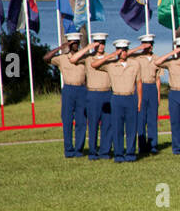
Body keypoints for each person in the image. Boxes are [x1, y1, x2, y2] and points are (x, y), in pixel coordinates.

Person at [91, 38, 141, 163]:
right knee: (117, 128)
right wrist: (111, 56)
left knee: (131, 128)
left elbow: (139, 83)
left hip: (130, 97)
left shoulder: (135, 64)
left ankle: (130, 154)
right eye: (120, 50)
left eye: (124, 50)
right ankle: (118, 154)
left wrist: (139, 101)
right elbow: (94, 65)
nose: (122, 53)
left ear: (127, 51)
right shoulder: (110, 64)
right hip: (117, 98)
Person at [45, 30, 89, 158]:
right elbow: (46, 58)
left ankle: (79, 149)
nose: (75, 45)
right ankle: (69, 150)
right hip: (68, 90)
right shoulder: (62, 58)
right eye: (73, 43)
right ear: (69, 44)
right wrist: (60, 47)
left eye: (77, 42)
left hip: (81, 89)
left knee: (81, 121)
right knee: (68, 120)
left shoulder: (84, 58)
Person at [159, 37, 180, 154]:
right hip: (174, 93)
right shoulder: (171, 62)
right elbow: (157, 62)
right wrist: (173, 52)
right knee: (175, 122)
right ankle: (177, 147)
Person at [82, 32, 112, 161]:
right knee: (93, 124)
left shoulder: (110, 57)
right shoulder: (88, 57)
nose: (101, 46)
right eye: (98, 43)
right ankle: (93, 152)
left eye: (103, 43)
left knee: (107, 124)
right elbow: (73, 58)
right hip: (93, 93)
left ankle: (105, 151)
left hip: (107, 92)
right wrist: (88, 47)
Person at [128, 34, 159, 155]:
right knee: (141, 119)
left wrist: (158, 96)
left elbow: (158, 78)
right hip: (141, 87)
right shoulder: (136, 57)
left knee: (152, 119)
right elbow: (125, 54)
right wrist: (139, 48)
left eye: (151, 44)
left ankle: (153, 146)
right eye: (147, 44)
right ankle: (142, 146)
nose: (149, 46)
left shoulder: (156, 58)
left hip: (152, 88)